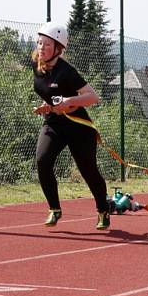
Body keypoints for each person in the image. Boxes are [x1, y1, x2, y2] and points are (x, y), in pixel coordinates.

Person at [31, 22, 110, 230]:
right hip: (54, 124)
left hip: (78, 127)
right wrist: (47, 107)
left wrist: (69, 102)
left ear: (58, 48)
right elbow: (51, 95)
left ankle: (103, 210)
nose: (41, 48)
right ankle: (54, 209)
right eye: (39, 43)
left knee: (88, 171)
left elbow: (93, 97)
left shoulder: (67, 71)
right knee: (42, 160)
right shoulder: (36, 67)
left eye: (47, 44)